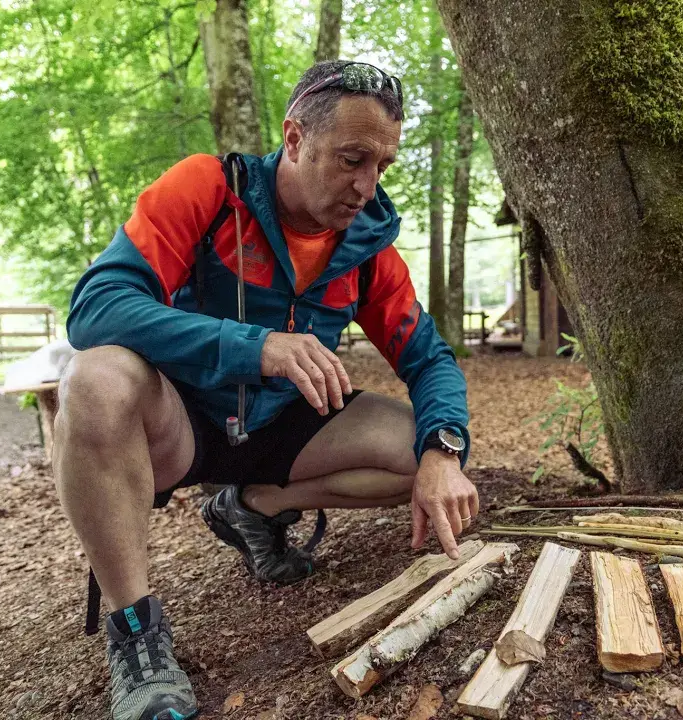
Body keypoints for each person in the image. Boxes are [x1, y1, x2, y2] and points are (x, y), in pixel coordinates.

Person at [56, 60, 478, 720]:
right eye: (352, 159)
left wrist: (446, 450)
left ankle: (254, 504)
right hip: (184, 421)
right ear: (294, 139)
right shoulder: (209, 189)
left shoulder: (367, 248)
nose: (366, 186)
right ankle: (136, 635)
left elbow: (429, 359)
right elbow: (96, 306)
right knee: (94, 377)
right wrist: (251, 346)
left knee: (420, 452)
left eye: (382, 167)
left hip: (286, 429)